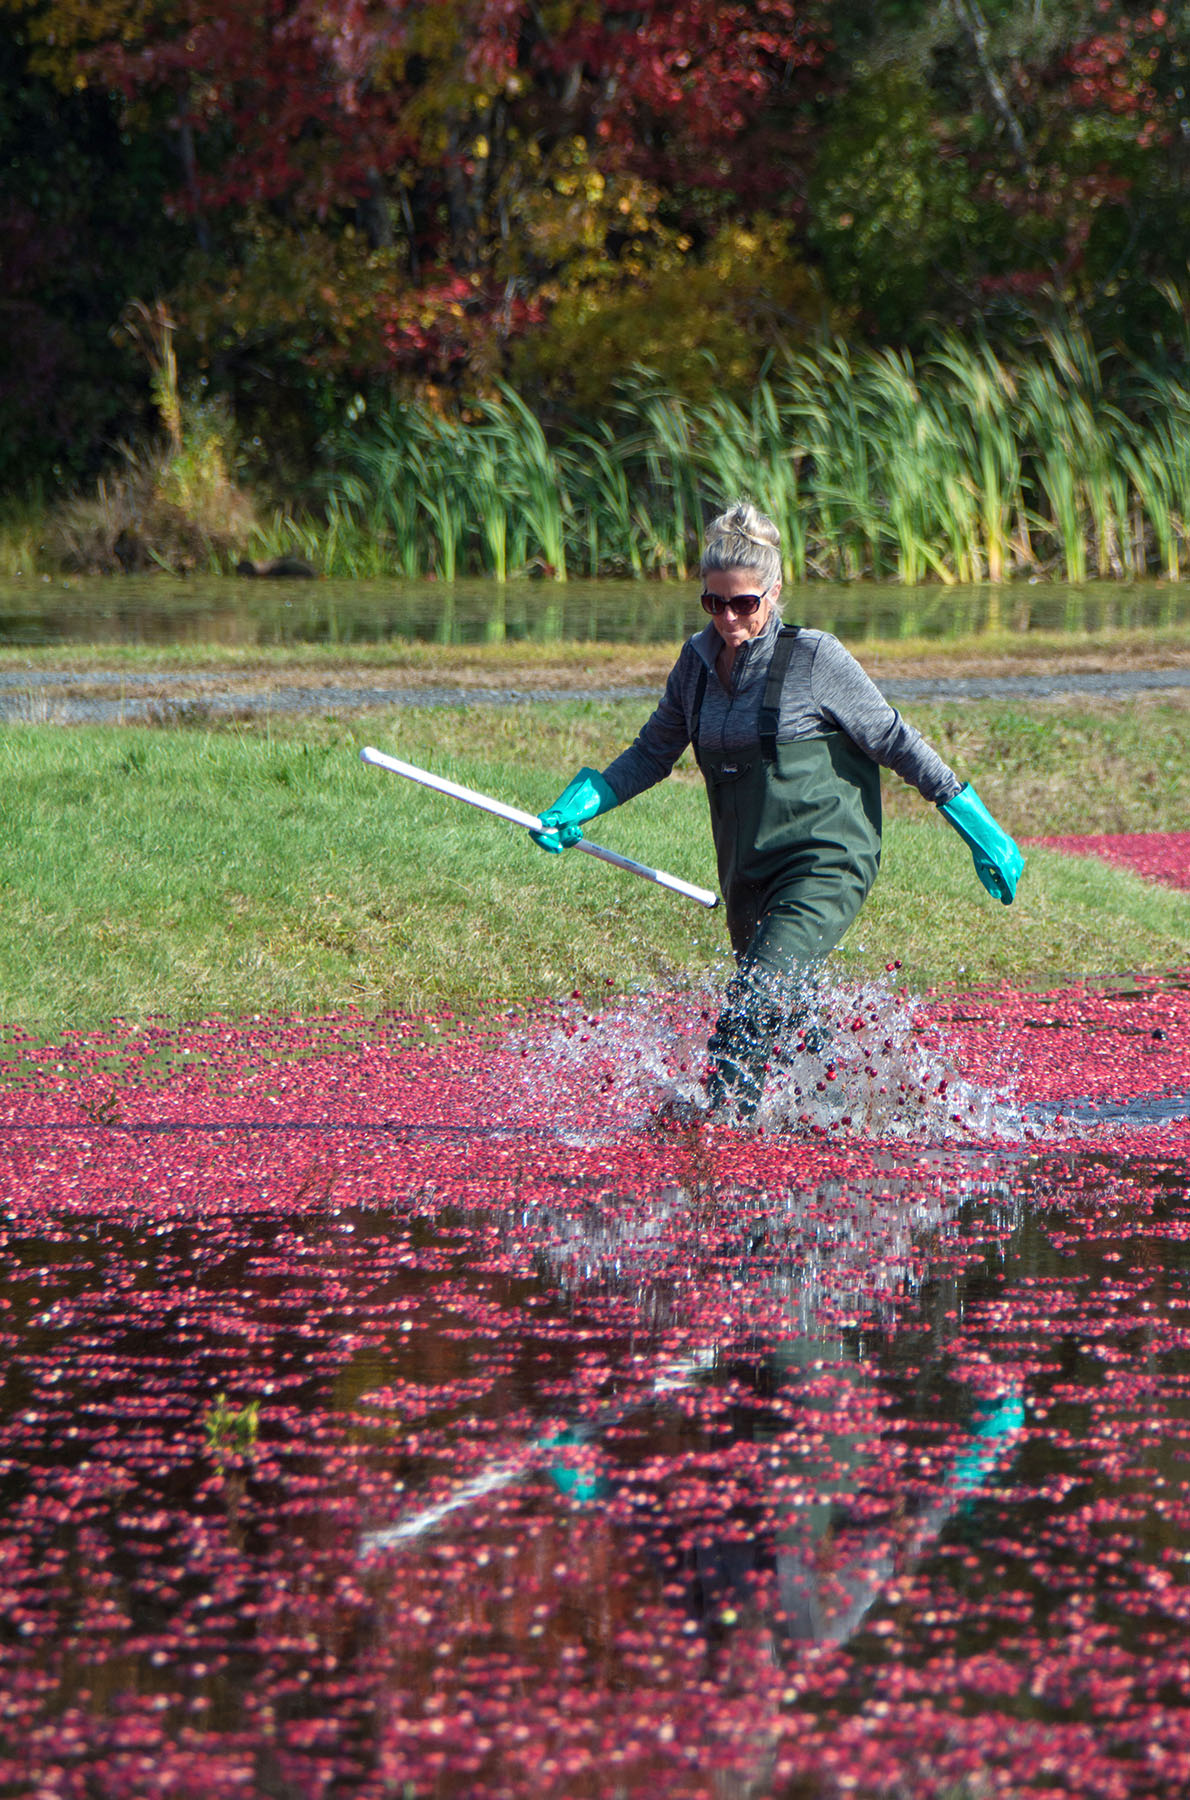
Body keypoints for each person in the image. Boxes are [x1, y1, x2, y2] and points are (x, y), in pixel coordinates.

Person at [531, 500, 1023, 1122]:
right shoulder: (696, 665)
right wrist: (583, 803)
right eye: (715, 603)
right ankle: (843, 1114)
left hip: (824, 862)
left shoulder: (816, 658)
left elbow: (896, 741)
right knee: (784, 1015)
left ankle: (715, 1129)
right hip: (747, 873)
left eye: (745, 603)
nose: (730, 619)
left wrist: (979, 829)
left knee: (755, 997)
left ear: (775, 591)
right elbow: (652, 753)